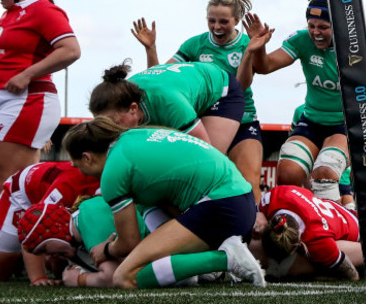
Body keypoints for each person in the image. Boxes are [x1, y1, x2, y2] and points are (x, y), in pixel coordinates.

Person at [62, 116, 266, 289]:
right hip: (239, 201)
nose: (79, 171)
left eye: (77, 165)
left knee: (124, 277)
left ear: (87, 158)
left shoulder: (112, 173)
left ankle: (226, 259)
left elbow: (129, 242)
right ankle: (203, 264)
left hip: (221, 206)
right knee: (151, 226)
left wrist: (104, 251)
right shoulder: (135, 136)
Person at [239, 0, 366, 202]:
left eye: (323, 27)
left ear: (338, 25)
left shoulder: (358, 46)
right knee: (287, 174)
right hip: (311, 122)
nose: (316, 32)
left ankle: (334, 228)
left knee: (325, 172)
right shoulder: (301, 40)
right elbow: (265, 67)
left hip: (345, 125)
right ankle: (300, 226)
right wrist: (259, 47)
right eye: (311, 26)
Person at [130, 0, 263, 203]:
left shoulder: (248, 43)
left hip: (243, 120)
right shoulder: (195, 44)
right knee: (202, 179)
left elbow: (241, 85)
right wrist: (150, 48)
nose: (216, 27)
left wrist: (249, 52)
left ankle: (254, 233)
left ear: (237, 20)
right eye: (211, 21)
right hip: (205, 123)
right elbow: (160, 78)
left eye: (223, 21)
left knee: (249, 183)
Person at [0, 0, 81, 196]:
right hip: (9, 102)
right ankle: (31, 230)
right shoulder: (11, 13)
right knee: (17, 185)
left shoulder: (42, 9)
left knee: (5, 184)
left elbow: (71, 50)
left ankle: (26, 230)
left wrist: (26, 74)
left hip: (27, 100)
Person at [250, 185, 366, 281]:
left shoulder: (316, 240)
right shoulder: (276, 196)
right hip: (344, 215)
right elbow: (261, 210)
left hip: (363, 229)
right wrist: (258, 216)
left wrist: (312, 272)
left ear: (300, 245)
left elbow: (352, 275)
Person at [0, 161, 99, 284]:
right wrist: (39, 278)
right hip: (22, 199)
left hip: (51, 204)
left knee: (59, 270)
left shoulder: (111, 179)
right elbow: (34, 229)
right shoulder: (67, 187)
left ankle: (18, 257)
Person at [88, 60, 244, 155]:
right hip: (184, 92)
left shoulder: (168, 103)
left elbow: (205, 153)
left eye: (113, 122)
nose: (108, 129)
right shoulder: (123, 98)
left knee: (206, 161)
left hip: (220, 89)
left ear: (133, 108)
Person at [17, 197, 150, 288]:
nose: (48, 256)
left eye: (44, 249)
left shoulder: (89, 218)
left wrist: (80, 280)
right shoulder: (79, 235)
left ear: (55, 230)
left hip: (164, 239)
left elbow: (114, 278)